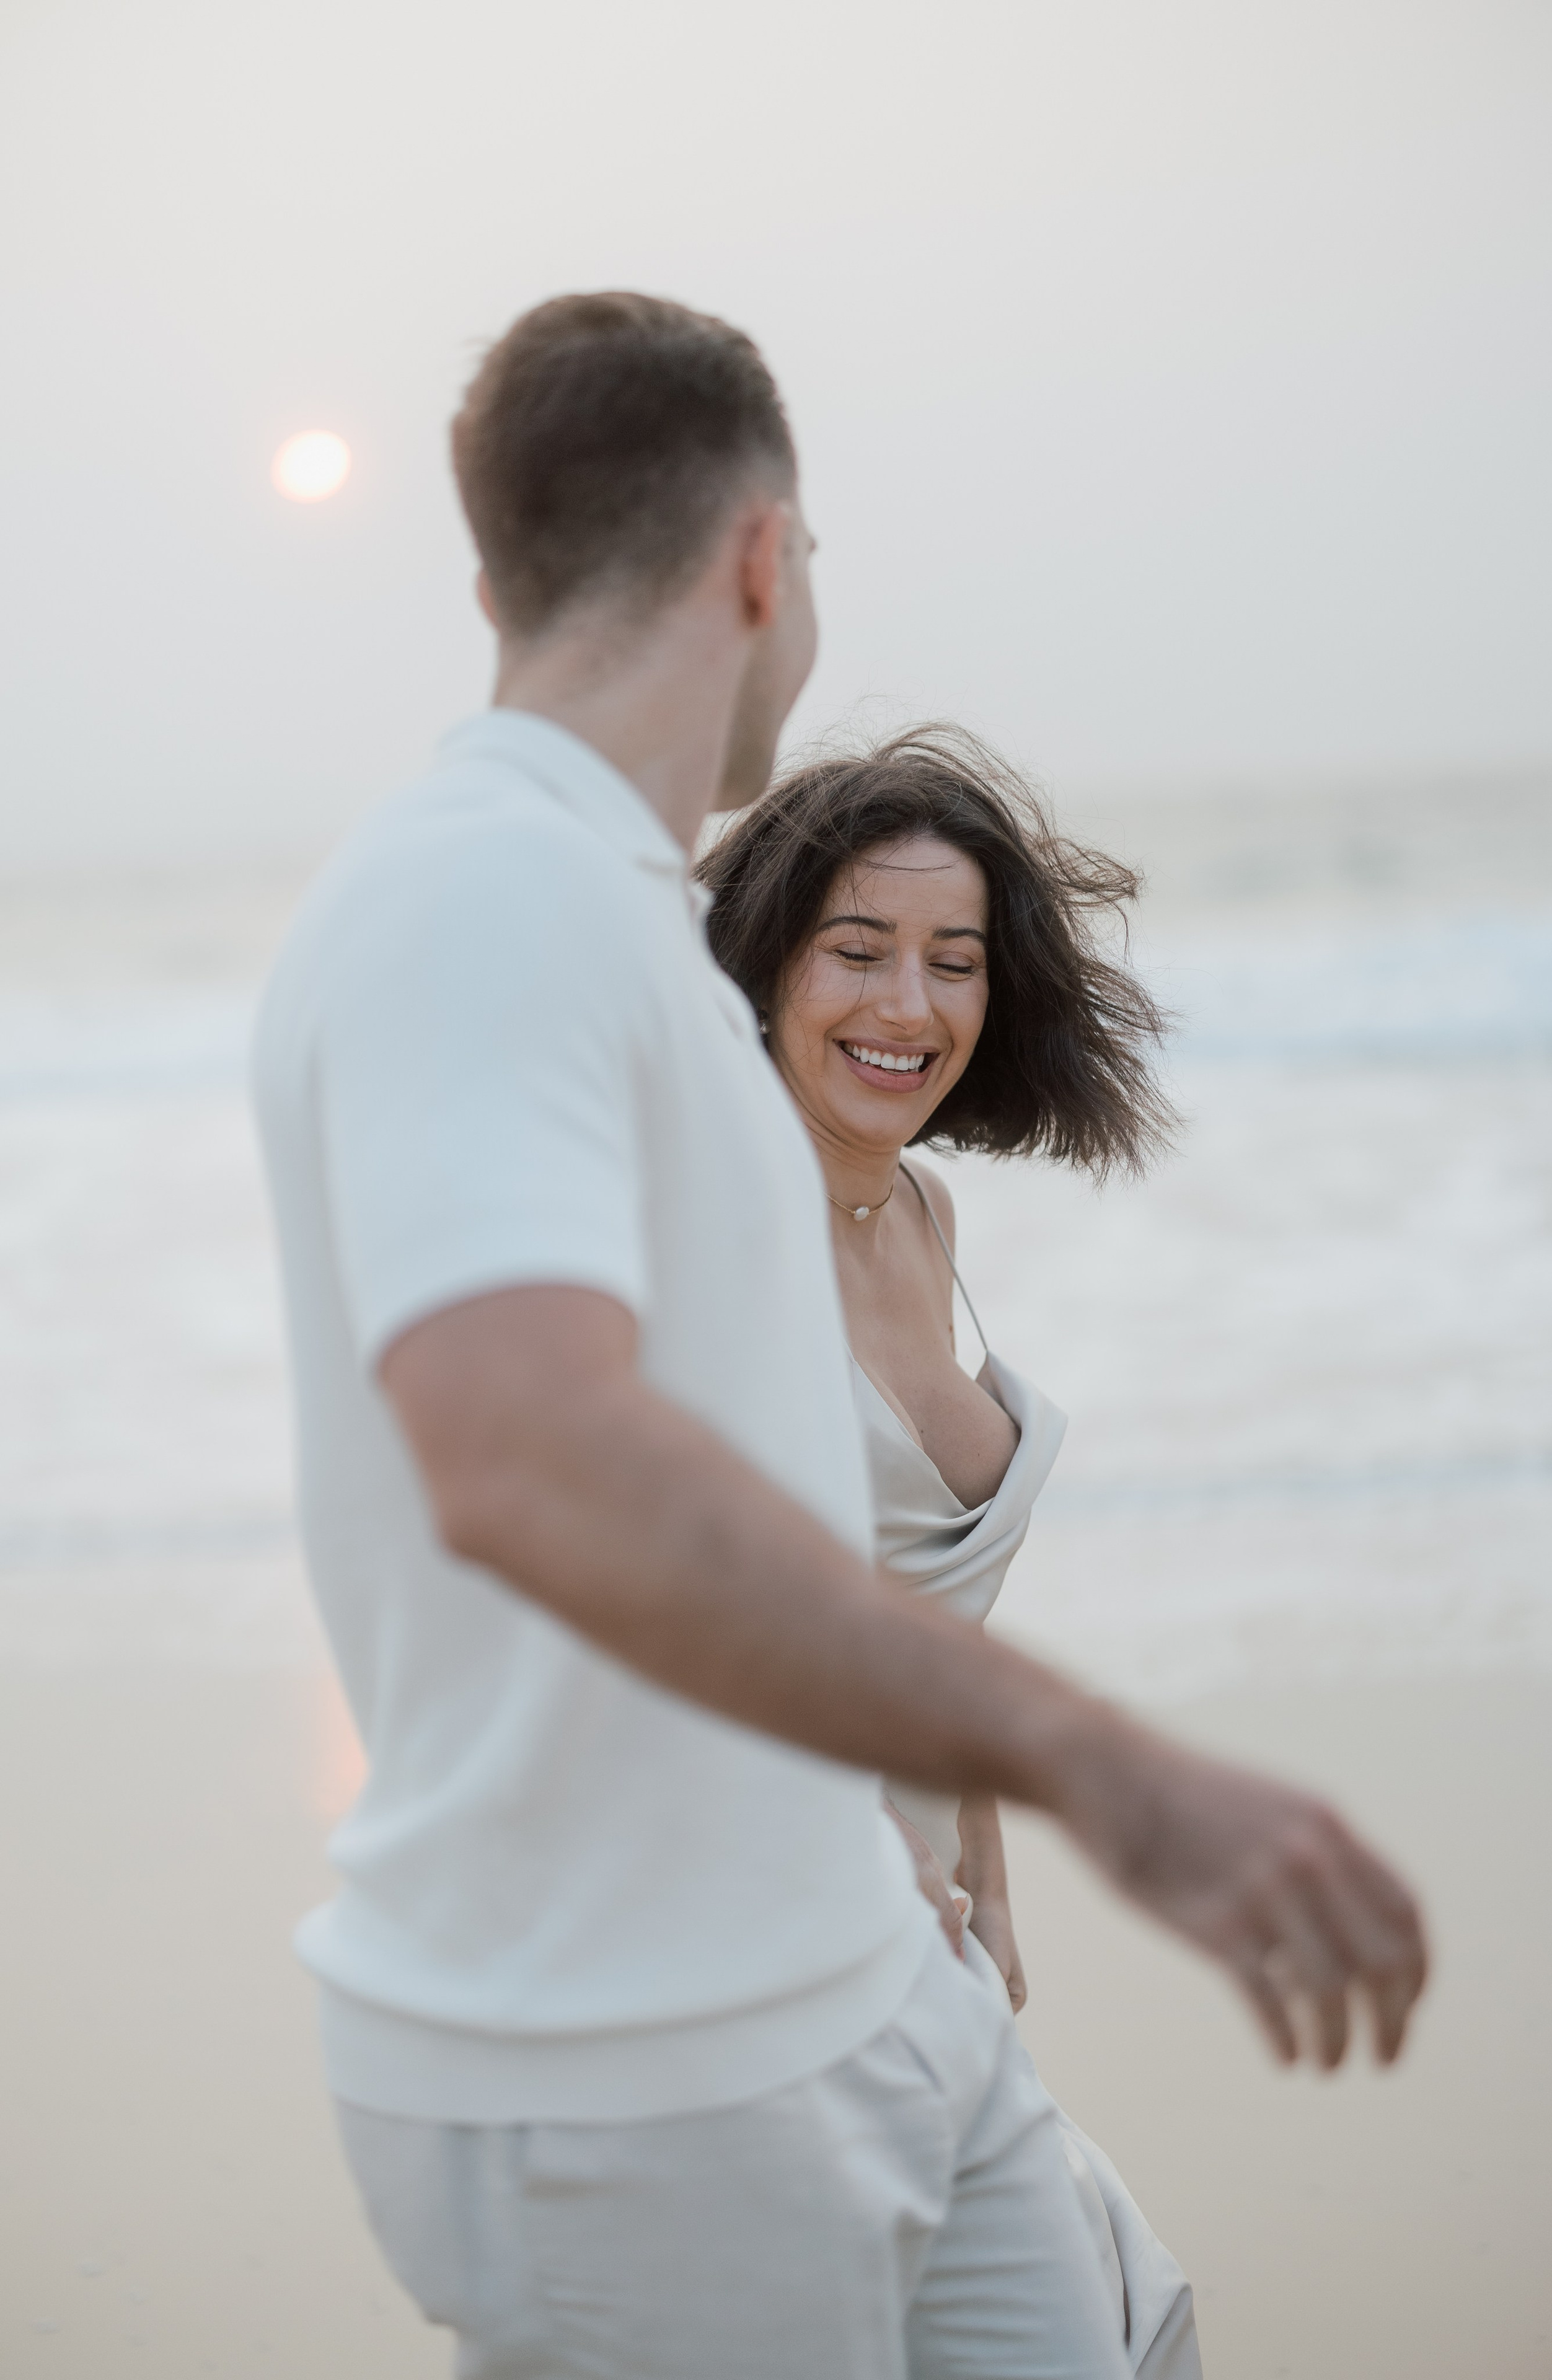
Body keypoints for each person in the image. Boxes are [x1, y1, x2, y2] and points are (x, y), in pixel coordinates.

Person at [252, 292, 1428, 2380]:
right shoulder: (483, 896)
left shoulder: (620, 926)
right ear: (767, 563)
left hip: (861, 1972)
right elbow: (527, 1459)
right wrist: (1099, 1759)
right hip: (637, 2050)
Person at [699, 725, 1192, 2369]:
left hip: (931, 1937)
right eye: (857, 951)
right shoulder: (704, 1235)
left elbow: (908, 1600)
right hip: (774, 1951)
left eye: (954, 961)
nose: (908, 1007)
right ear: (767, 966)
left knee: (1116, 2321)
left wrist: (974, 1831)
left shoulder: (917, 1212)